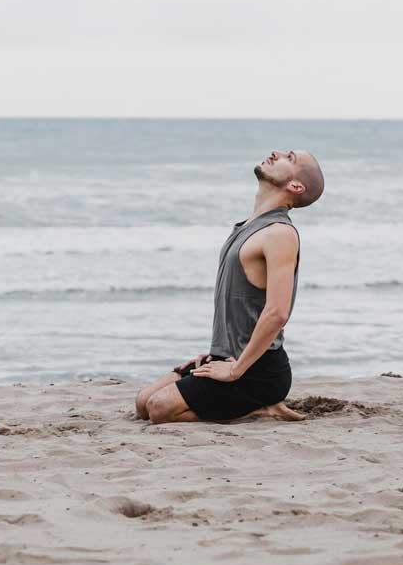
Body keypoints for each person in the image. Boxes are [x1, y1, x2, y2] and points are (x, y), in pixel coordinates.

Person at [135, 149, 324, 424]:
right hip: (227, 357)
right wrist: (220, 353)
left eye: (289, 158)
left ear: (295, 186)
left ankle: (262, 406)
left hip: (258, 371)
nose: (276, 153)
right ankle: (239, 394)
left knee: (159, 409)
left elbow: (277, 313)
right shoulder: (246, 226)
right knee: (143, 403)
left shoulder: (280, 234)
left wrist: (235, 370)